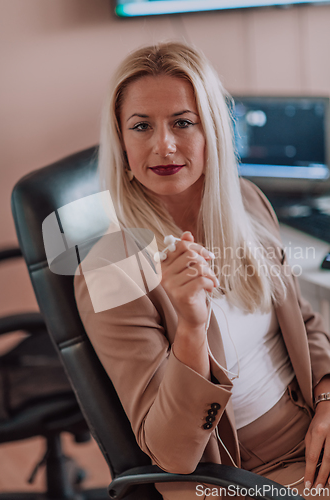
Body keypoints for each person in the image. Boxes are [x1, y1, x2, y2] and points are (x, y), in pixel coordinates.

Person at [74, 42, 330, 500]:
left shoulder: (246, 201)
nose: (163, 145)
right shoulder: (110, 269)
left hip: (313, 424)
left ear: (212, 129)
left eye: (183, 122)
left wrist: (329, 397)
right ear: (121, 142)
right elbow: (172, 453)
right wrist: (191, 325)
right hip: (234, 473)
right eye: (141, 127)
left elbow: (306, 322)